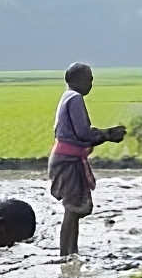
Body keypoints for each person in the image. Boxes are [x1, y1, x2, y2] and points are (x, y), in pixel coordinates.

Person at [50, 62, 126, 257]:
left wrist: (105, 134)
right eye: (89, 78)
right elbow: (83, 133)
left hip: (65, 157)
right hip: (68, 160)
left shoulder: (68, 96)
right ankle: (66, 254)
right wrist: (108, 135)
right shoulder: (74, 98)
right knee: (71, 209)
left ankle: (70, 252)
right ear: (77, 80)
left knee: (72, 210)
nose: (91, 82)